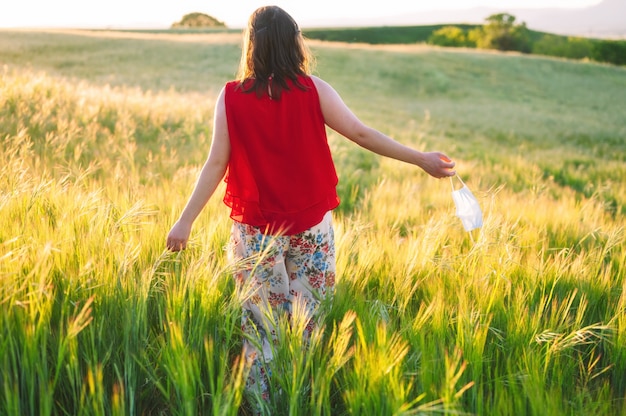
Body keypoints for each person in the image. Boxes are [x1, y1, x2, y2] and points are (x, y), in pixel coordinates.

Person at [166, 4, 456, 410]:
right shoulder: (313, 89)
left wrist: (184, 222)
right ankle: (299, 400)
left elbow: (217, 162)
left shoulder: (231, 97)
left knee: (263, 331)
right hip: (311, 229)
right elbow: (360, 132)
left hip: (255, 233)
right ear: (293, 42)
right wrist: (420, 158)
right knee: (306, 325)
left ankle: (265, 406)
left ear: (252, 45)